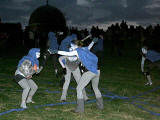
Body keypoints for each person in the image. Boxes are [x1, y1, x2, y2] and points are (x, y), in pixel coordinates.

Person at [52, 39, 104, 113]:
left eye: (72, 45)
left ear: (75, 45)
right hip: (97, 71)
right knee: (95, 88)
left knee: (79, 88)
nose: (71, 46)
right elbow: (89, 47)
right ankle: (100, 106)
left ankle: (80, 109)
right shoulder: (84, 49)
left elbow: (68, 53)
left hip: (89, 72)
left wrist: (55, 51)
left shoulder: (78, 51)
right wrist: (92, 42)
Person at [58, 37, 97, 101]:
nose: (72, 48)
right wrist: (64, 67)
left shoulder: (80, 51)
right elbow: (60, 59)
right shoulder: (69, 52)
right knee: (67, 82)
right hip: (68, 67)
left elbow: (88, 48)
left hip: (76, 68)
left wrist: (92, 42)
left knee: (80, 82)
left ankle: (85, 97)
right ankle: (63, 97)